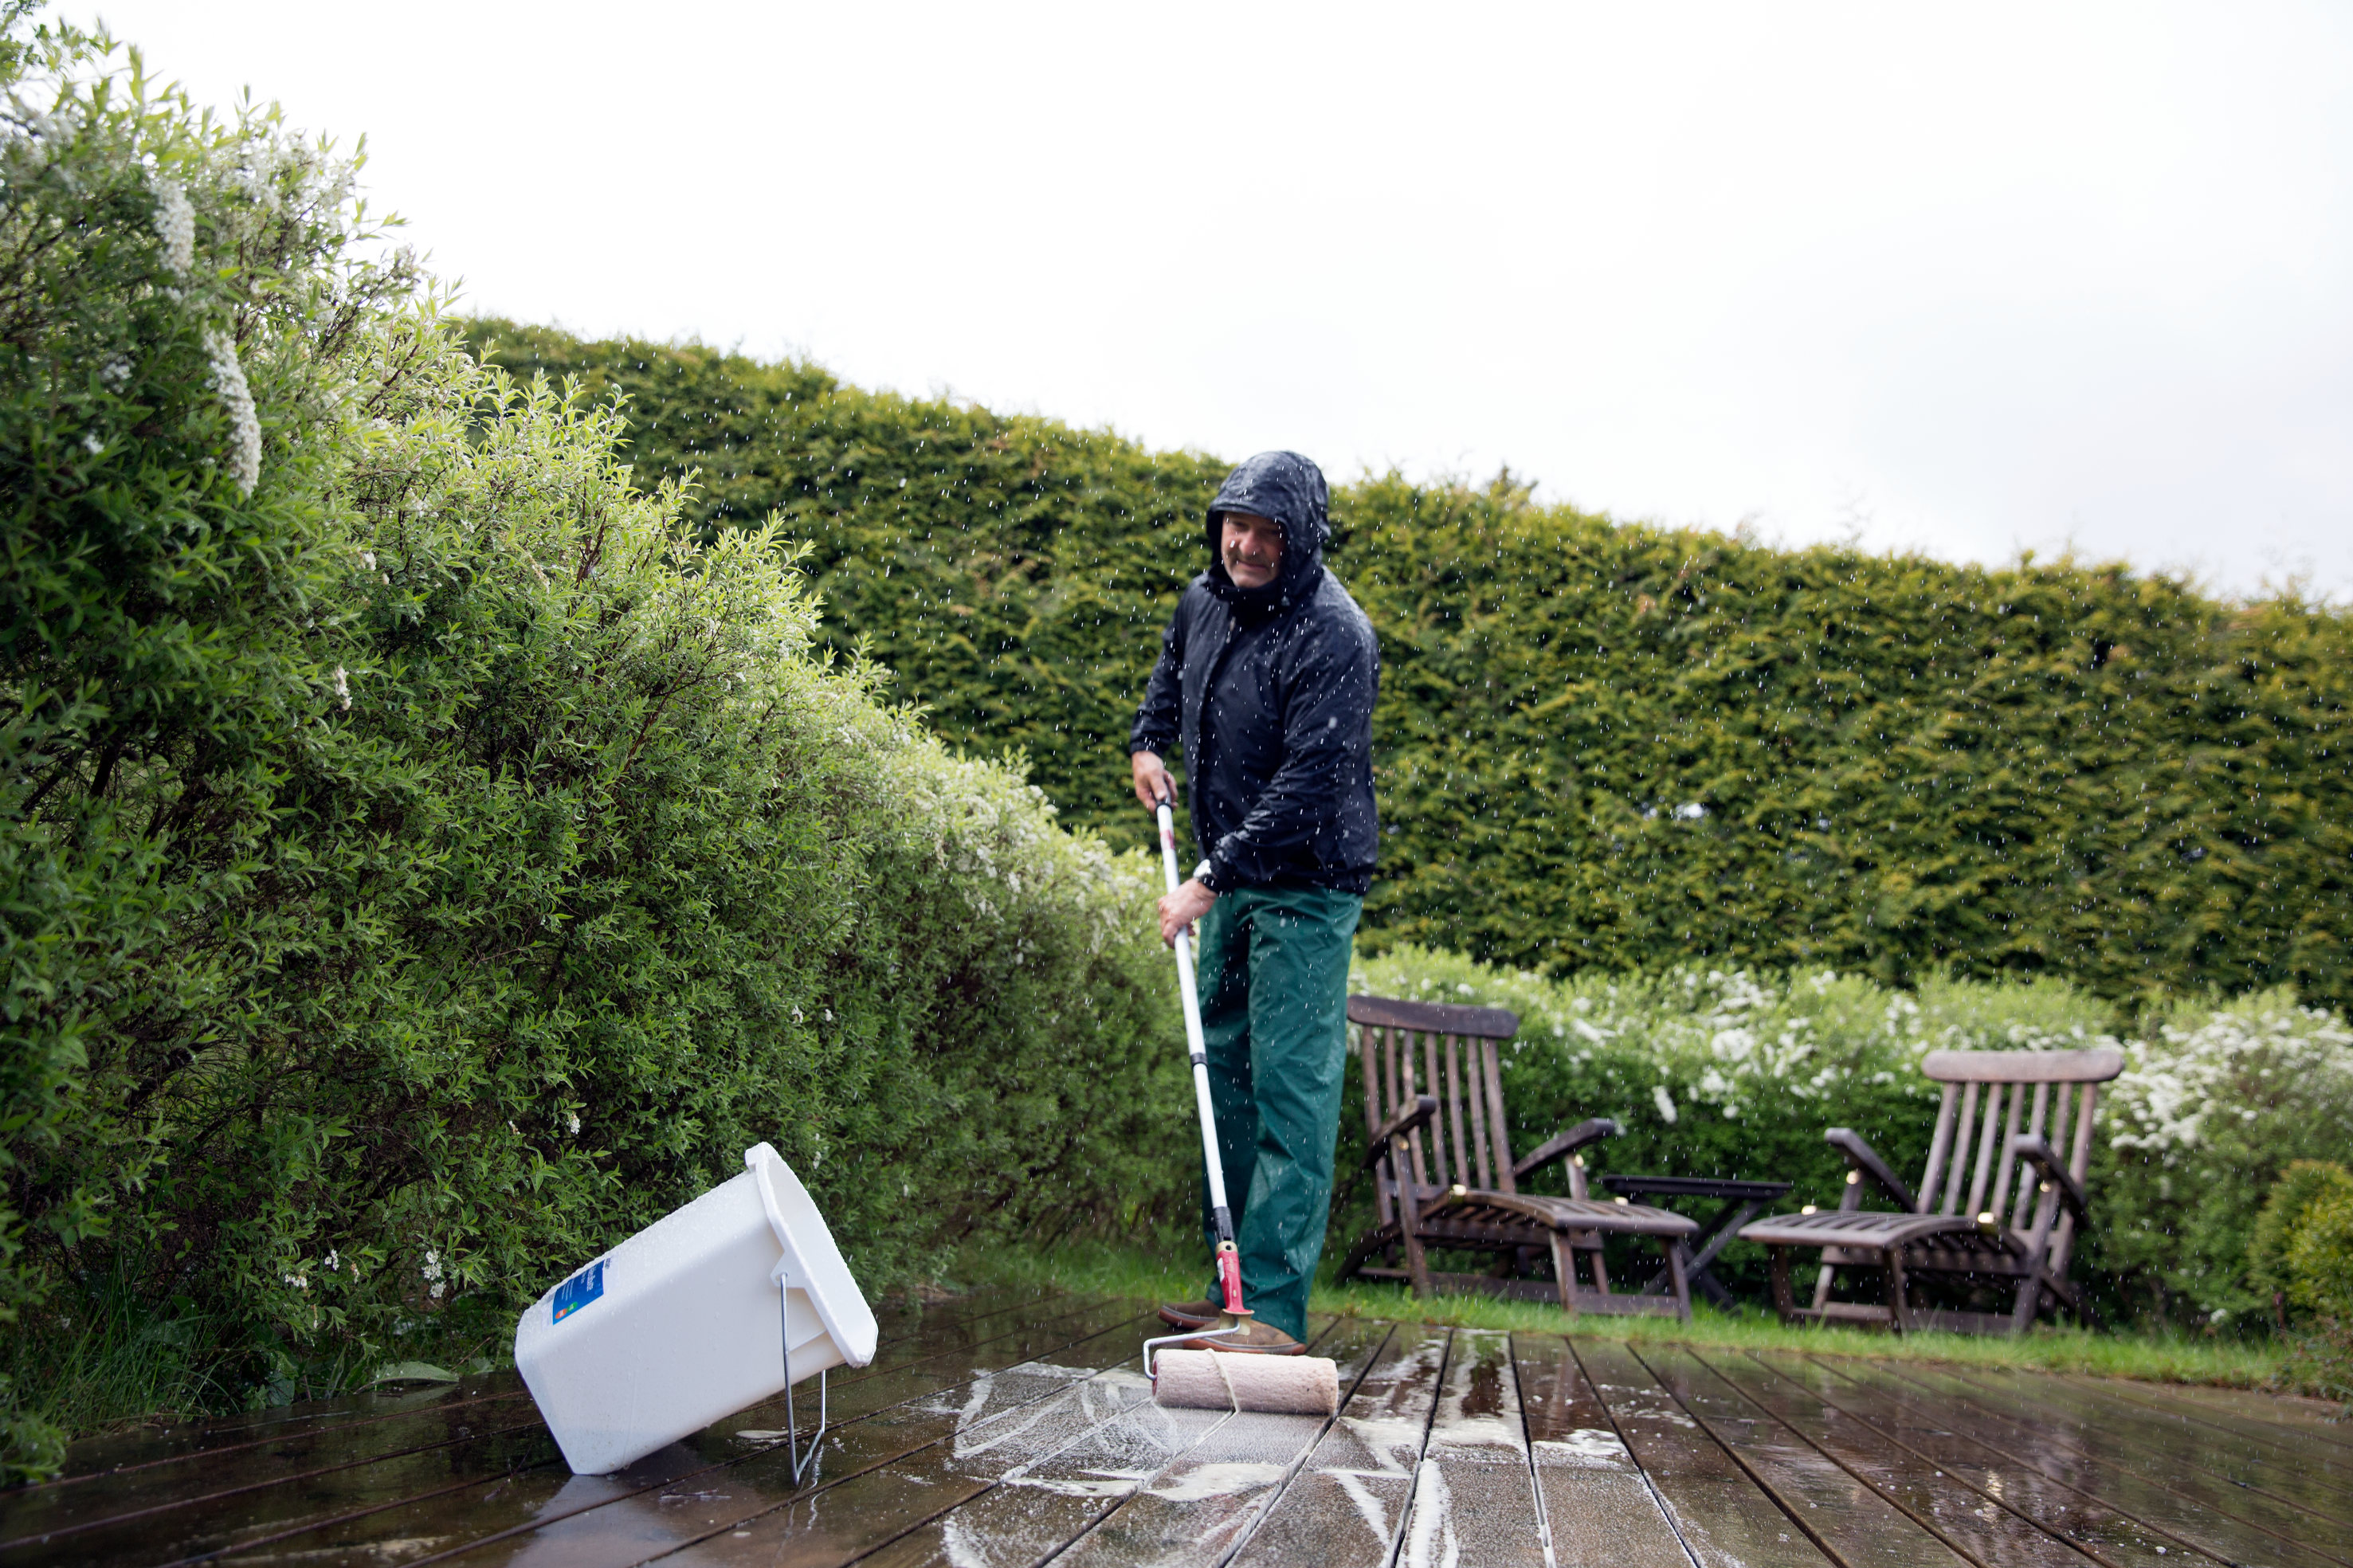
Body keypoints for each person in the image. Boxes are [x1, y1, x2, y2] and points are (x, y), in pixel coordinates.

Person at [1128, 449, 1380, 1354]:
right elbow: (1173, 673)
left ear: (1301, 537)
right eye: (1234, 523)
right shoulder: (1205, 599)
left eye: (1266, 530)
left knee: (1288, 1092)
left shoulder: (1334, 635)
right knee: (1224, 1080)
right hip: (1231, 878)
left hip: (1305, 890)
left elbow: (1312, 780)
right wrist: (1148, 740)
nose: (1244, 543)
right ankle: (1230, 1286)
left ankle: (1272, 1314)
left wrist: (1205, 880)